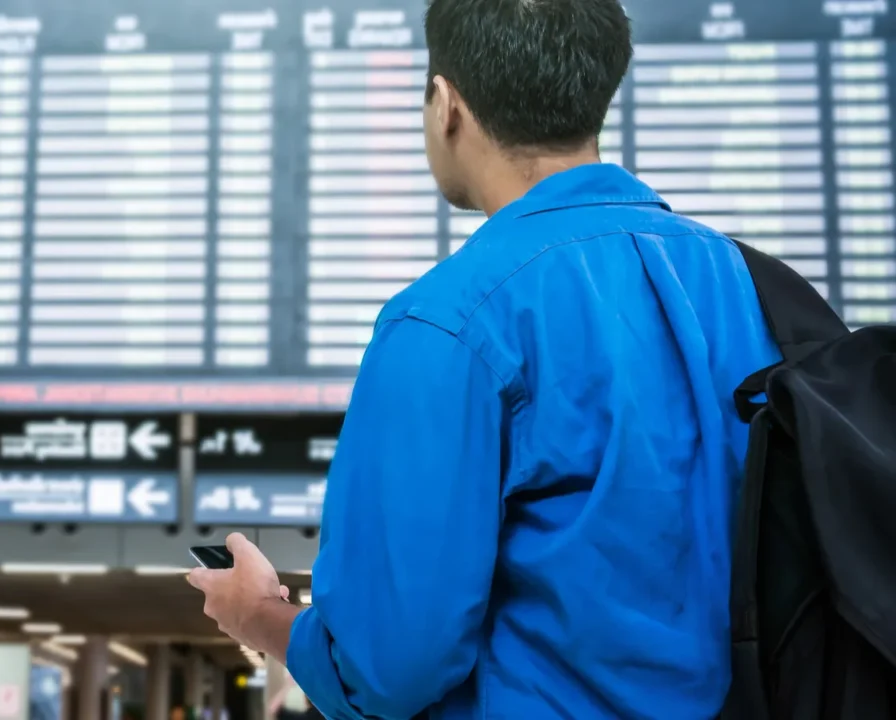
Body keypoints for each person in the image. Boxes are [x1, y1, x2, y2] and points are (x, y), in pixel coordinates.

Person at [186, 0, 785, 717]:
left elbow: (390, 668)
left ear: (445, 105)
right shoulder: (754, 289)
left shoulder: (448, 322)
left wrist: (258, 616)